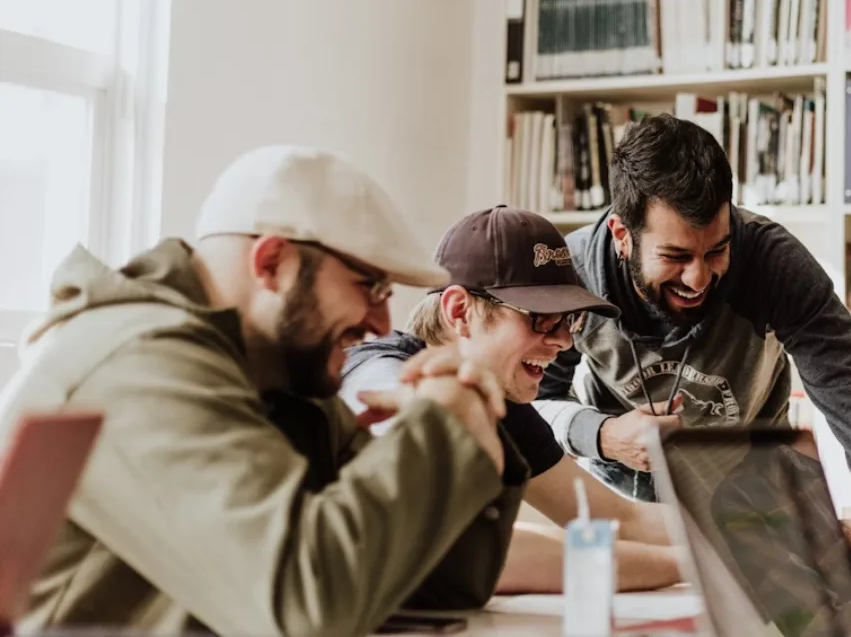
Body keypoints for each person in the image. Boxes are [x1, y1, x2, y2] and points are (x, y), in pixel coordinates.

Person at [0, 145, 524, 635]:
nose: (383, 324)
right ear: (272, 262)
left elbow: (437, 585)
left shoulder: (275, 375)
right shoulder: (139, 363)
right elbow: (303, 607)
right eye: (370, 286)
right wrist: (442, 430)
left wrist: (471, 425)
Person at [533, 113, 851, 547]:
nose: (698, 279)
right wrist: (602, 435)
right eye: (675, 256)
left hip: (756, 502)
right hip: (626, 512)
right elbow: (533, 405)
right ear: (622, 234)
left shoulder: (774, 263)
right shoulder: (571, 275)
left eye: (717, 250)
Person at [339, 204, 682, 594]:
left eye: (568, 321)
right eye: (541, 318)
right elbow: (467, 549)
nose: (564, 341)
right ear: (459, 312)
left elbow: (618, 519)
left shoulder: (500, 402)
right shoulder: (378, 375)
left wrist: (739, 537)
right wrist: (689, 566)